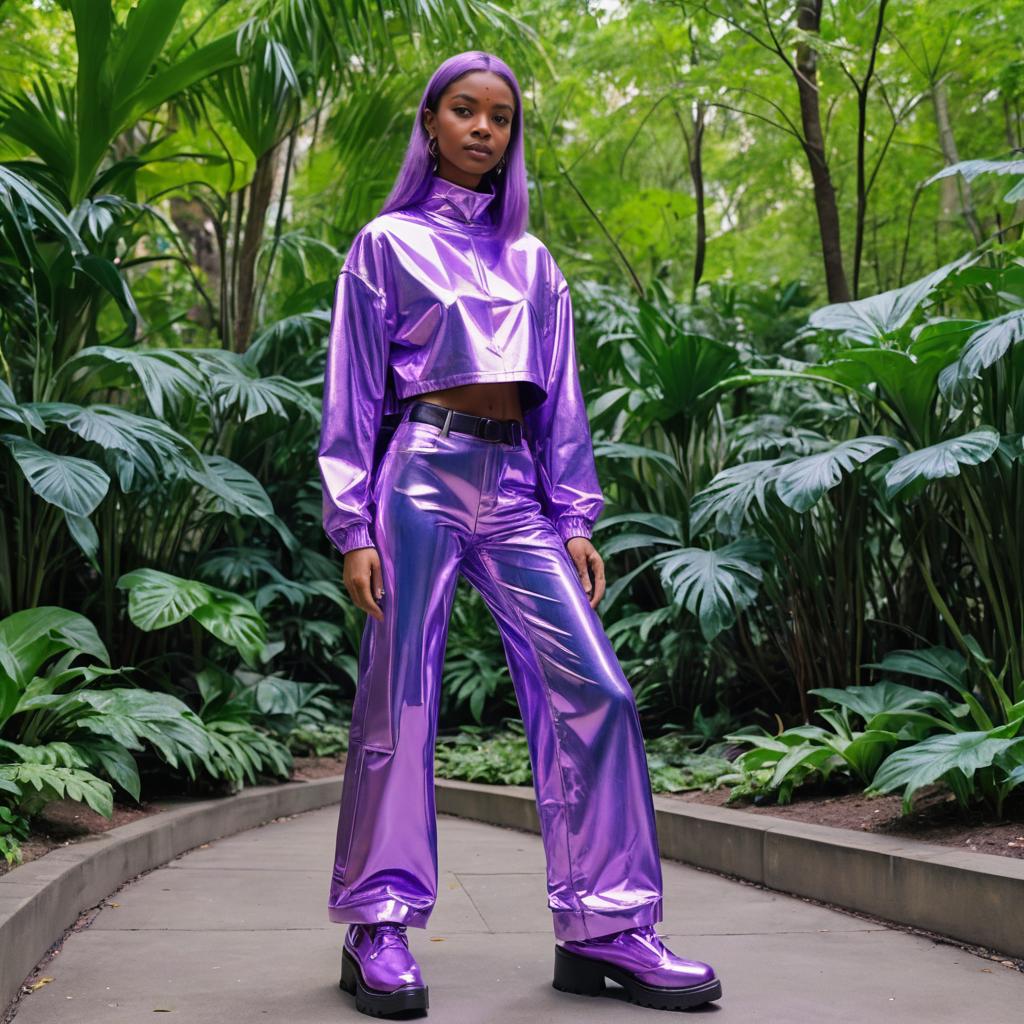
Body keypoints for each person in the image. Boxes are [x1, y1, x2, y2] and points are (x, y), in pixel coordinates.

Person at [318, 50, 722, 1018]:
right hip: (417, 474)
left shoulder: (531, 259)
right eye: (464, 110)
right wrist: (352, 524)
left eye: (499, 116)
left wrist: (574, 512)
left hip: (517, 491)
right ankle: (379, 921)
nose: (482, 128)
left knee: (599, 691)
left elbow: (563, 402)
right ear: (430, 123)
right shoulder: (386, 243)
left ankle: (609, 925)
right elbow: (351, 393)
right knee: (401, 698)